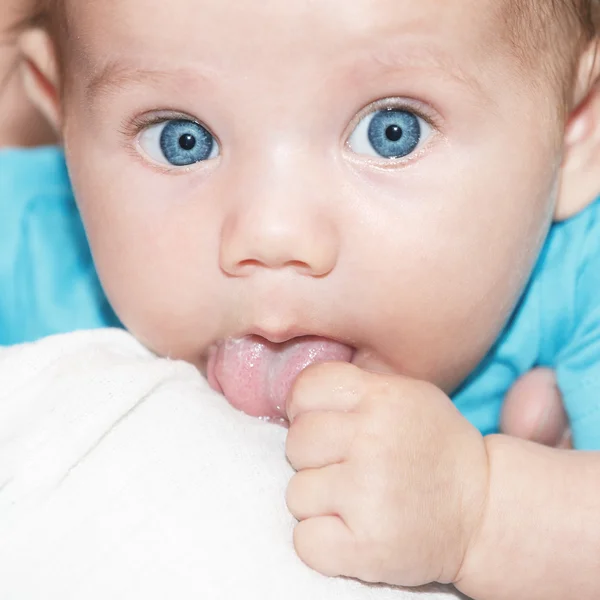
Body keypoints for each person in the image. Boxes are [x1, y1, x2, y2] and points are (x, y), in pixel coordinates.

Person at [3, 0, 600, 597]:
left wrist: (487, 510)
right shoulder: (27, 241)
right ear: (62, 111)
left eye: (392, 132)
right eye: (182, 140)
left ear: (577, 127)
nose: (272, 234)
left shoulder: (580, 275)